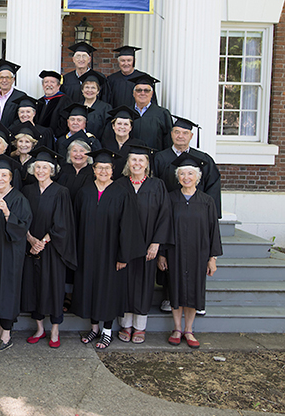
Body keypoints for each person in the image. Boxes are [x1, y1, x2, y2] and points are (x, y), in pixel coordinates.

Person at [72, 149, 145, 350]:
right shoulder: (84, 192)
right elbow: (76, 224)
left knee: (108, 291)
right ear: (93, 169)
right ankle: (94, 328)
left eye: (107, 168)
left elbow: (129, 226)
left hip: (111, 254)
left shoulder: (122, 193)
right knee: (92, 289)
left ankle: (106, 331)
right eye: (99, 167)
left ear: (113, 170)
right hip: (87, 252)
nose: (103, 171)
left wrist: (123, 255)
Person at [159, 152, 222, 349]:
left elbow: (213, 230)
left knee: (194, 290)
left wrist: (212, 258)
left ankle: (189, 329)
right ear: (177, 177)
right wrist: (162, 253)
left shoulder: (207, 201)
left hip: (198, 253)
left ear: (197, 177)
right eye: (182, 174)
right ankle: (177, 328)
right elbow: (163, 226)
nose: (186, 178)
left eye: (190, 174)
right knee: (176, 289)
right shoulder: (170, 199)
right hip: (174, 252)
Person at [20, 146, 77, 348]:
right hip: (31, 248)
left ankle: (54, 331)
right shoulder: (27, 191)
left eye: (45, 167)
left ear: (51, 170)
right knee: (34, 287)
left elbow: (62, 223)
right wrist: (30, 240)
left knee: (53, 288)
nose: (41, 171)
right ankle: (39, 328)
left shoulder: (61, 192)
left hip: (53, 249)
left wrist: (41, 242)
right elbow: (22, 219)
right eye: (38, 167)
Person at [115, 145, 172, 344]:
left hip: (148, 245)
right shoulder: (119, 185)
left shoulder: (157, 186)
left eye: (141, 160)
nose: (137, 164)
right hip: (124, 245)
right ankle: (125, 324)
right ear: (128, 164)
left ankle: (140, 326)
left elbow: (164, 215)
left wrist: (156, 243)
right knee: (124, 284)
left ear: (147, 164)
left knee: (144, 284)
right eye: (133, 160)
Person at [0, 154, 33, 353]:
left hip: (11, 253)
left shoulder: (19, 199)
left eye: (4, 175)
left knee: (8, 291)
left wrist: (8, 214)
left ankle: (7, 335)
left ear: (11, 177)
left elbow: (23, 227)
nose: (0, 178)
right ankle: (0, 330)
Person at [153, 115, 222, 218]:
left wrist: (209, 211)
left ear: (191, 136)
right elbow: (154, 186)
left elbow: (213, 185)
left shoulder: (203, 159)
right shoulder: (159, 158)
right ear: (171, 134)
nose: (180, 136)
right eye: (177, 132)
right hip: (168, 211)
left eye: (185, 133)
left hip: (197, 212)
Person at [100, 106, 146, 179]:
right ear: (113, 126)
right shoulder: (105, 144)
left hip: (129, 184)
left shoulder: (138, 145)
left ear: (130, 128)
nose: (122, 127)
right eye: (119, 123)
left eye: (126, 124)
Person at [0, 58, 26, 127]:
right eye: (1, 77)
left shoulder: (21, 97)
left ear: (13, 80)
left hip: (12, 135)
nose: (4, 80)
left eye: (7, 77)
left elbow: (20, 119)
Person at [55, 135, 94, 203]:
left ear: (89, 153)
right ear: (69, 153)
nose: (78, 154)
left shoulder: (93, 172)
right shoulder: (63, 170)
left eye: (82, 151)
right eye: (74, 150)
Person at [35, 70, 71, 138]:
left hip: (56, 139)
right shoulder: (39, 102)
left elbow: (64, 124)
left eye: (52, 82)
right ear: (43, 86)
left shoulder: (65, 101)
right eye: (46, 82)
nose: (49, 85)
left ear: (58, 86)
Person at [78, 69, 112, 140]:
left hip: (98, 145)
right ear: (82, 90)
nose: (89, 90)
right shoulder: (77, 107)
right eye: (87, 87)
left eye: (93, 88)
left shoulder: (105, 108)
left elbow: (108, 131)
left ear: (98, 91)